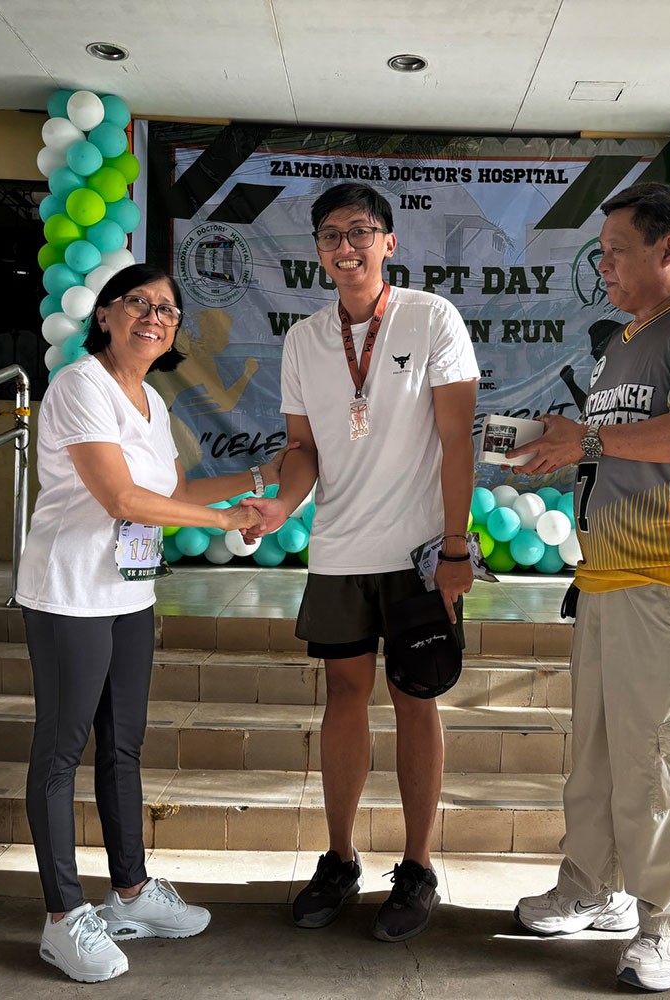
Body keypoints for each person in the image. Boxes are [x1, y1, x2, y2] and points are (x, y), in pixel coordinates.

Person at [15, 263, 291, 984]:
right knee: (60, 752)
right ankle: (61, 917)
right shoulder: (81, 386)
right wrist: (224, 518)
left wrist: (261, 480)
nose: (154, 316)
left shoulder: (149, 401)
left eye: (167, 309)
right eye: (138, 302)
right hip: (70, 592)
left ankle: (130, 895)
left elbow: (171, 491)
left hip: (128, 593)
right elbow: (123, 499)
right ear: (104, 315)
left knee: (123, 748)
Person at [242, 183, 479, 941]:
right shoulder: (304, 339)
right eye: (332, 236)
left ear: (390, 243)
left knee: (418, 699)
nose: (347, 247)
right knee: (343, 697)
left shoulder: (432, 318)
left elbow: (456, 440)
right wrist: (282, 505)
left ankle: (416, 867)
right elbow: (304, 449)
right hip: (339, 549)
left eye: (361, 232)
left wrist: (453, 546)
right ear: (318, 250)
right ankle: (340, 857)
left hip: (416, 556)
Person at [512, 182, 670, 993]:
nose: (602, 267)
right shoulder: (630, 338)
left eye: (614, 251)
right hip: (603, 576)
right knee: (595, 754)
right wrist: (558, 447)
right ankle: (593, 889)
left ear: (669, 250)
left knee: (665, 755)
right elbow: (622, 446)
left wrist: (587, 435)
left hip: (669, 577)